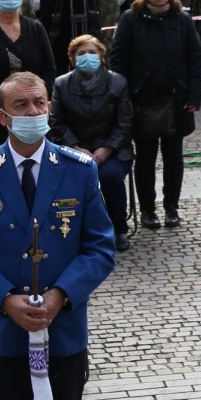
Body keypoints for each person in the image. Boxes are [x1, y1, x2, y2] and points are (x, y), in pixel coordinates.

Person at [0, 71, 115, 400]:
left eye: (40, 102)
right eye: (21, 105)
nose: (32, 112)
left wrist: (63, 294)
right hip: (3, 334)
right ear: (2, 116)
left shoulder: (78, 169)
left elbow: (100, 245)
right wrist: (4, 301)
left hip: (63, 331)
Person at [109, 0, 201, 230]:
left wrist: (194, 96)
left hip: (177, 98)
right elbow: (118, 59)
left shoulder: (182, 18)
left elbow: (196, 59)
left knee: (174, 156)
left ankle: (171, 207)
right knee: (146, 157)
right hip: (143, 100)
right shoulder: (131, 19)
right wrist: (125, 95)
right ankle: (148, 209)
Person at [49, 35, 133, 251]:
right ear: (73, 58)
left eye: (92, 52)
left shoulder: (117, 82)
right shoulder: (61, 84)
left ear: (102, 56)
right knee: (74, 176)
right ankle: (76, 230)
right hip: (75, 149)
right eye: (81, 53)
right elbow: (56, 122)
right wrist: (76, 148)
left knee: (110, 176)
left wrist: (106, 150)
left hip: (113, 150)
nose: (88, 57)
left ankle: (118, 228)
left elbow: (124, 122)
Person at [0, 0, 56, 147]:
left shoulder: (36, 28)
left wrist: (36, 100)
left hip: (34, 116)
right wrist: (9, 103)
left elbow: (49, 69)